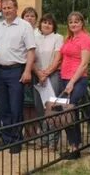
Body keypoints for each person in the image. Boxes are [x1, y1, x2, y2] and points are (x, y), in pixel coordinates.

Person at [0, 0, 36, 153]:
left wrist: (27, 71)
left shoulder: (24, 26)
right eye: (4, 8)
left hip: (16, 71)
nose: (6, 10)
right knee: (3, 107)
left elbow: (31, 50)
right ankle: (7, 139)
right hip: (0, 71)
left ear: (16, 8)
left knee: (16, 107)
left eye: (9, 7)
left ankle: (16, 141)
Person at [60, 12, 90, 160]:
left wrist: (72, 82)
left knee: (69, 110)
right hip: (64, 78)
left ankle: (76, 147)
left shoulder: (85, 39)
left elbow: (84, 64)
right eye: (70, 22)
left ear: (82, 23)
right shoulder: (69, 38)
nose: (73, 24)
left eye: (76, 21)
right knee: (67, 114)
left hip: (78, 80)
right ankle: (74, 145)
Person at [32, 13, 63, 148]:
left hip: (53, 75)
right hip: (37, 74)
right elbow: (30, 57)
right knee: (40, 107)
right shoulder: (34, 36)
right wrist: (39, 74)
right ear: (41, 24)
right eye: (44, 22)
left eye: (50, 23)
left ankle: (53, 140)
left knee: (52, 107)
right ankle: (43, 138)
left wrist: (47, 72)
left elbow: (57, 58)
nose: (47, 25)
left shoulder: (58, 38)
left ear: (54, 26)